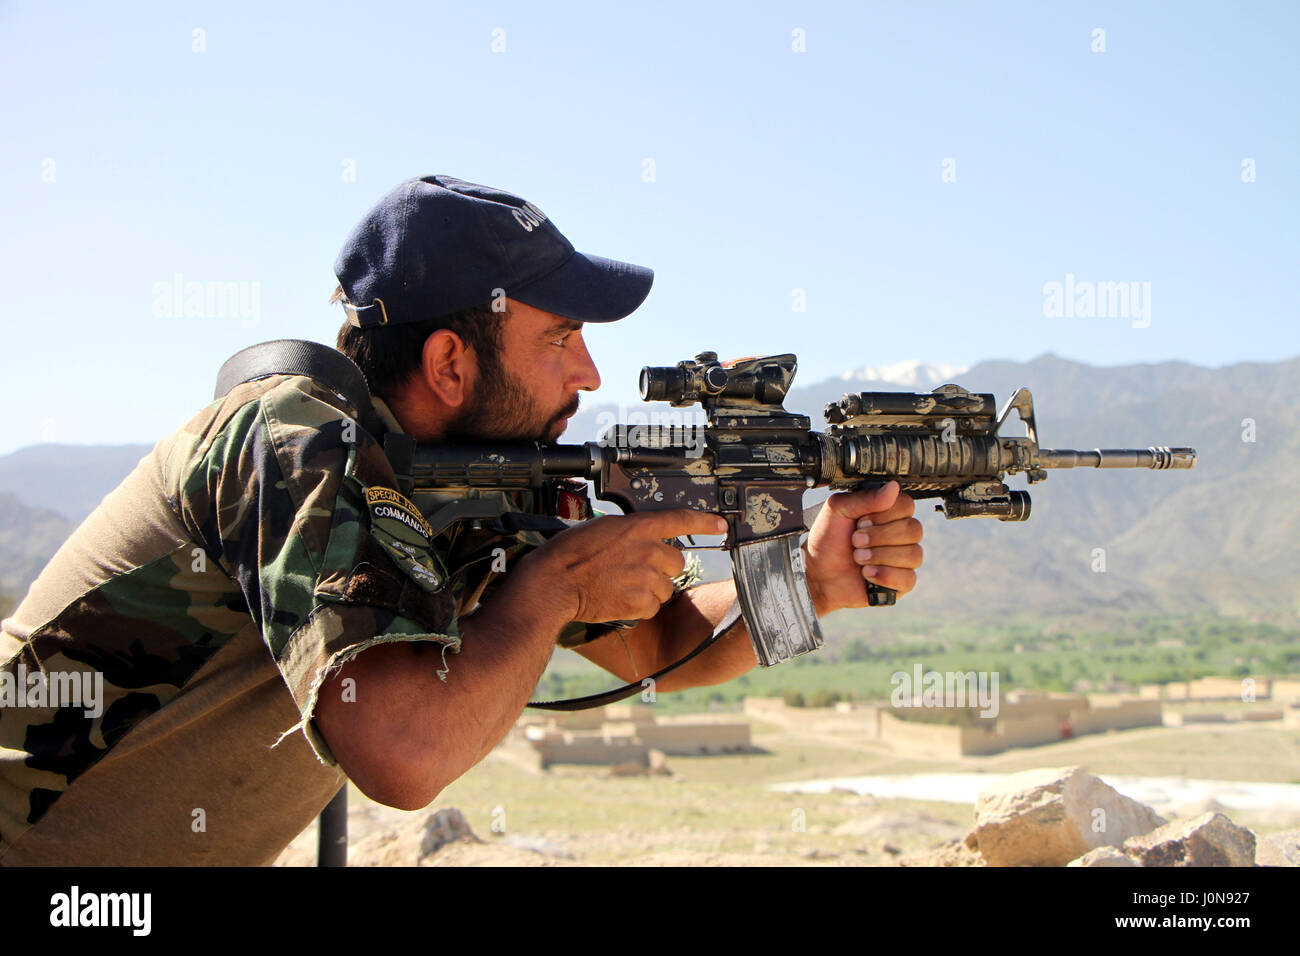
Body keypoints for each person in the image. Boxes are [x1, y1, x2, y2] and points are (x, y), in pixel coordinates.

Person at [0, 175, 923, 865]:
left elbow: (656, 650)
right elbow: (404, 754)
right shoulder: (290, 436)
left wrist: (809, 580)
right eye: (561, 339)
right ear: (449, 363)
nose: (592, 375)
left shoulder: (488, 482)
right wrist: (553, 586)